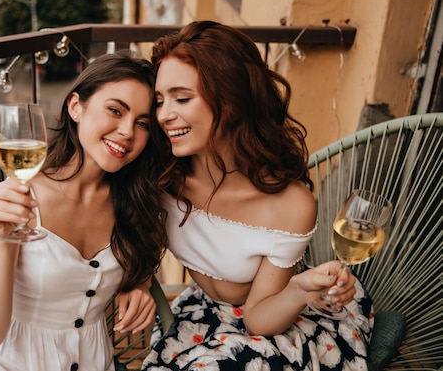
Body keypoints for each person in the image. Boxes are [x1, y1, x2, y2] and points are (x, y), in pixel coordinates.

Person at [142, 21, 373, 370]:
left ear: (232, 101)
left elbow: (258, 319)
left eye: (182, 98)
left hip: (277, 319)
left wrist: (298, 289)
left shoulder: (289, 205)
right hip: (202, 311)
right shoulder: (163, 172)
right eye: (160, 101)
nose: (164, 115)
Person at [0, 50, 169, 371]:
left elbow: (136, 260)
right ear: (75, 107)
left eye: (142, 123)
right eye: (114, 110)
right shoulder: (20, 199)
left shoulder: (137, 201)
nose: (127, 131)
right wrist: (2, 239)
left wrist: (137, 285)